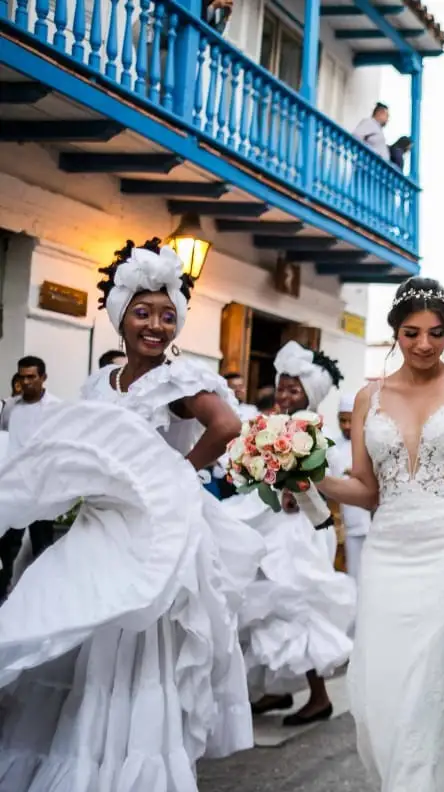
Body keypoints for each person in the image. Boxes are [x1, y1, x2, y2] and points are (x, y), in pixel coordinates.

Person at [0, 238, 264, 789]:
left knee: (135, 640)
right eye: (143, 313)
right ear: (120, 317)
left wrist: (178, 472)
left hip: (153, 536)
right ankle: (85, 759)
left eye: (168, 316)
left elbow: (226, 426)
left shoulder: (179, 378)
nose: (156, 325)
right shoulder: (101, 383)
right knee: (84, 630)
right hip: (100, 531)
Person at [317, 277, 444, 790]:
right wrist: (311, 475)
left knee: (436, 686)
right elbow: (366, 487)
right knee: (388, 689)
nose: (424, 344)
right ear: (394, 334)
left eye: (437, 333)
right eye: (411, 333)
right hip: (387, 559)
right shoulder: (368, 398)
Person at [223, 341, 355, 727]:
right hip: (271, 522)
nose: (283, 395)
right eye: (281, 387)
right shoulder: (267, 426)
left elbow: (320, 482)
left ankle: (318, 696)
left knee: (295, 601)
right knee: (264, 602)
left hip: (301, 531)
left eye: (292, 390)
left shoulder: (318, 433)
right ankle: (276, 687)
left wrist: (299, 490)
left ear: (309, 395)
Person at [0, 356, 63, 589]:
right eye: (22, 377)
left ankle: (42, 595)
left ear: (43, 378)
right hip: (13, 490)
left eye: (31, 377)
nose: (26, 382)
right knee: (7, 547)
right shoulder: (9, 407)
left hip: (42, 490)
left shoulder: (56, 409)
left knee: (42, 546)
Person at [326, 391, 370, 583]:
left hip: (364, 519)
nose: (346, 426)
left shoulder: (369, 443)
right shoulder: (331, 445)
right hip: (338, 519)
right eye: (342, 420)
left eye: (350, 420)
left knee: (362, 573)